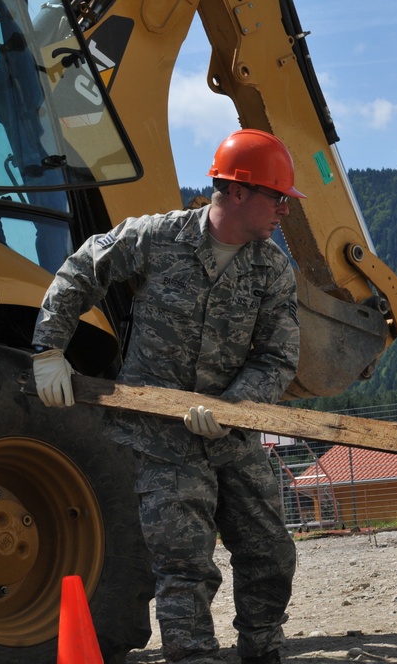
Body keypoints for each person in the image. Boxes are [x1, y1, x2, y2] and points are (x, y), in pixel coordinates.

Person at [30, 129, 302, 664]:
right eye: (279, 198)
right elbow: (81, 271)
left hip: (232, 434)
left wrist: (233, 409)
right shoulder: (156, 238)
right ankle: (193, 656)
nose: (284, 213)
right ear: (239, 191)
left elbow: (277, 357)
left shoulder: (273, 269)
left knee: (270, 553)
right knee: (183, 565)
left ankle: (263, 648)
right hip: (160, 439)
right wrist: (48, 350)